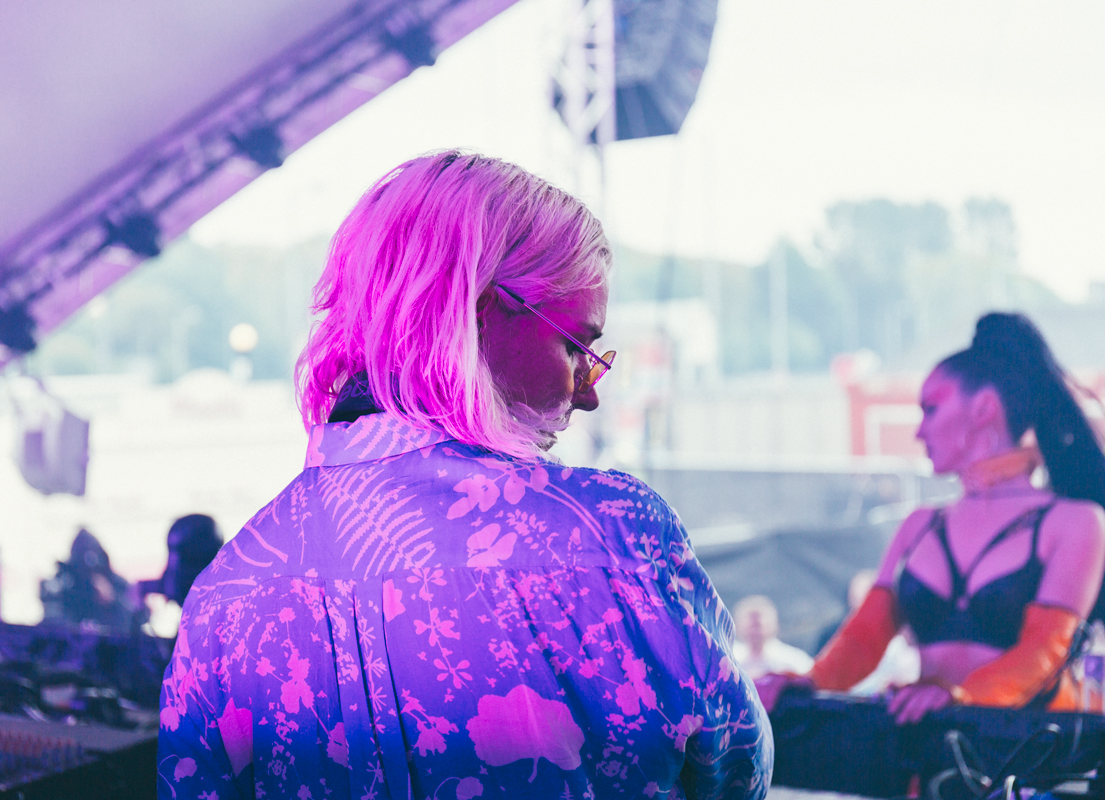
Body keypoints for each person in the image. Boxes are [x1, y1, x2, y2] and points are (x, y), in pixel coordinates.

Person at [158, 151, 771, 799]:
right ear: (479, 310)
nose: (588, 394)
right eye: (577, 348)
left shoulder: (228, 592)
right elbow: (734, 773)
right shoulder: (613, 534)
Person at [759, 313, 1105, 723]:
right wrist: (811, 680)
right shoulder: (919, 525)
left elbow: (1044, 652)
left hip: (1029, 765)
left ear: (984, 409)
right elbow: (866, 636)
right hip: (931, 752)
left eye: (931, 408)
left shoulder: (1076, 522)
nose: (919, 432)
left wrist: (959, 697)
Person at [732, 595, 813, 679]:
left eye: (758, 625)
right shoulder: (730, 659)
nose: (755, 630)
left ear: (774, 624)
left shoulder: (794, 660)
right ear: (736, 625)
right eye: (752, 624)